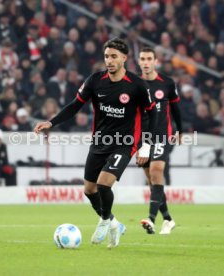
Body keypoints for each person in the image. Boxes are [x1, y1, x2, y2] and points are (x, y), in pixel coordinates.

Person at [34, 38, 157, 248]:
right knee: (89, 190)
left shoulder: (136, 85)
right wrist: (51, 122)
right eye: (107, 56)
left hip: (125, 142)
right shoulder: (95, 80)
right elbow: (75, 106)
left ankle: (104, 220)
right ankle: (114, 223)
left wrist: (146, 145)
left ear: (124, 58)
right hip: (100, 141)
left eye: (114, 57)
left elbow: (152, 114)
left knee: (103, 184)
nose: (109, 60)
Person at [137, 47, 183, 235]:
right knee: (151, 179)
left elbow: (176, 108)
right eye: (143, 59)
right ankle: (168, 219)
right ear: (139, 61)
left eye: (149, 59)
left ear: (155, 61)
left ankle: (150, 219)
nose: (146, 62)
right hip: (142, 137)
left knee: (157, 172)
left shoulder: (167, 83)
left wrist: (180, 130)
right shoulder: (134, 84)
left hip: (163, 135)